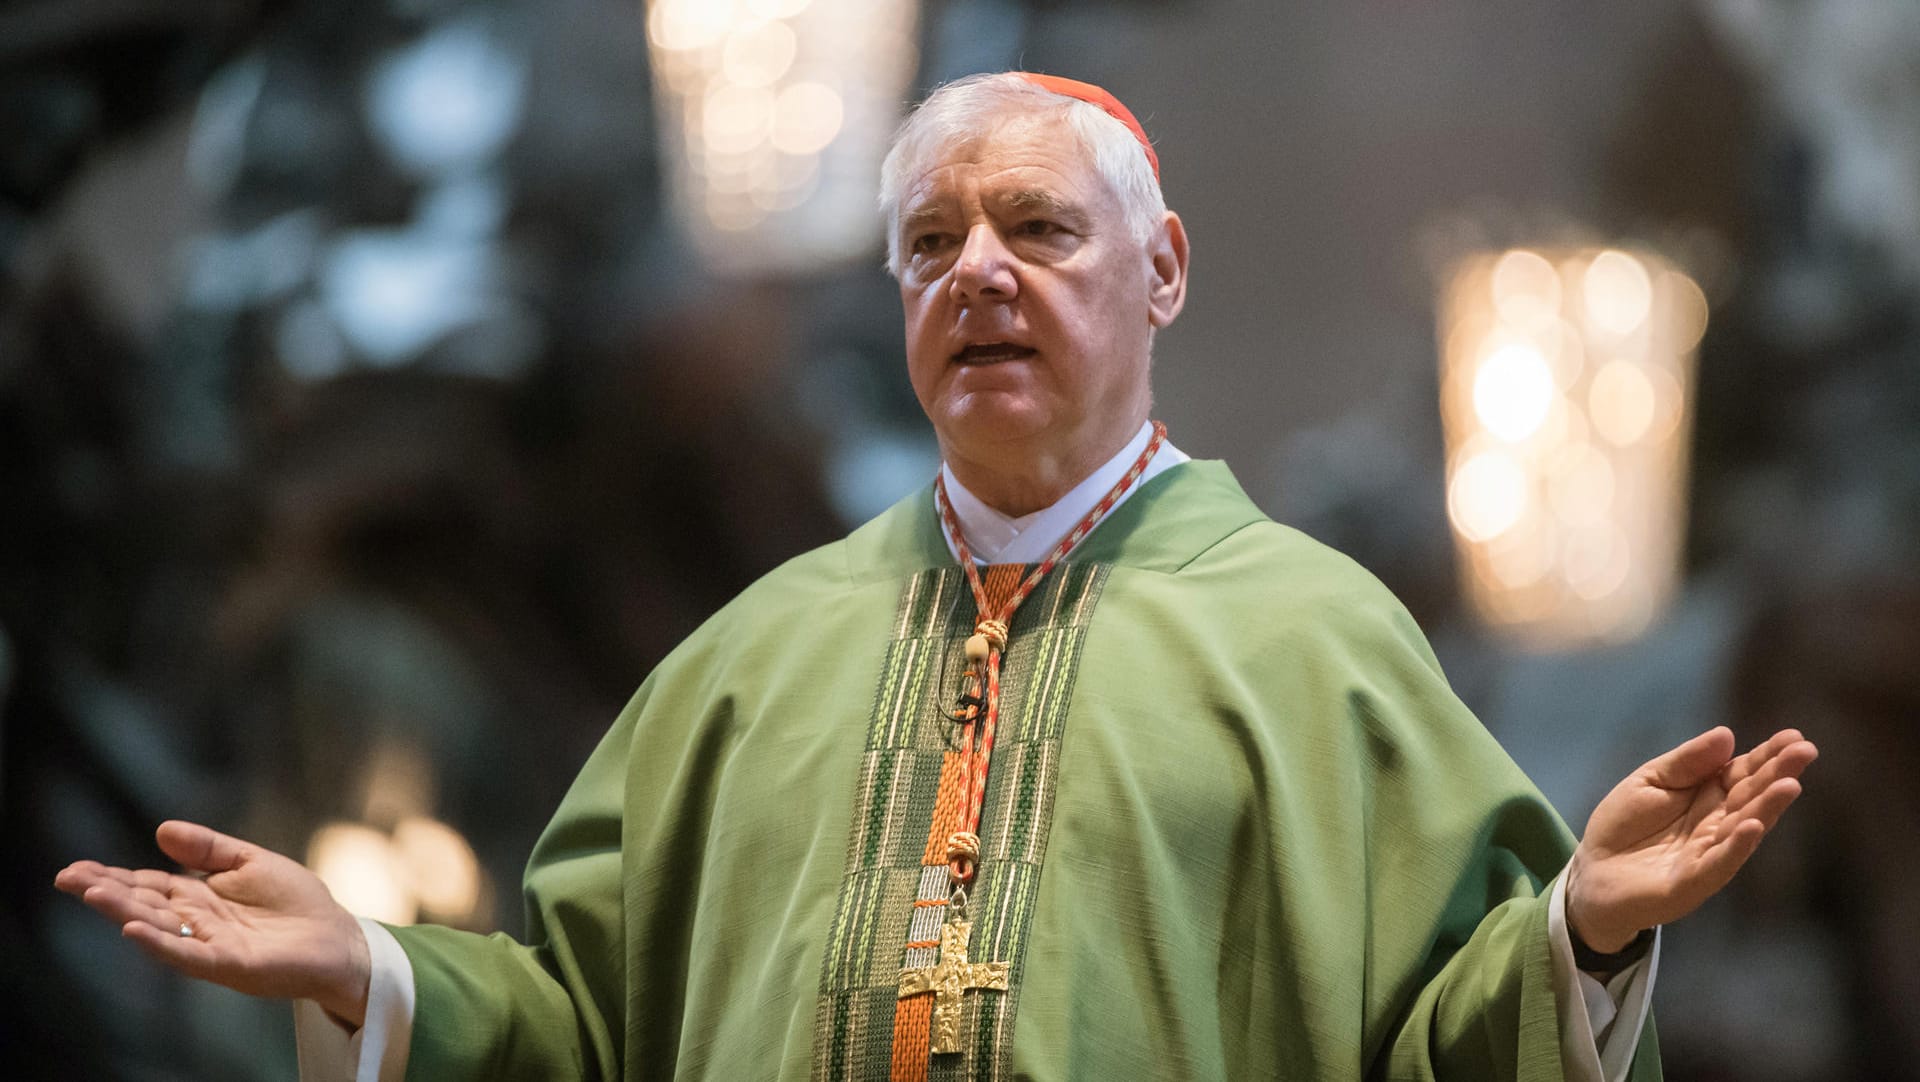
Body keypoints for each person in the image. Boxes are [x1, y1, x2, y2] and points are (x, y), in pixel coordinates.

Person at [56, 72, 1816, 1081]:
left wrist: (1581, 934)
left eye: (1039, 229)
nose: (977, 271)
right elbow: (583, 1028)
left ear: (1164, 270)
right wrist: (372, 967)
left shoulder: (1320, 644)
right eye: (927, 243)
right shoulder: (753, 659)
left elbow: (1449, 1044)